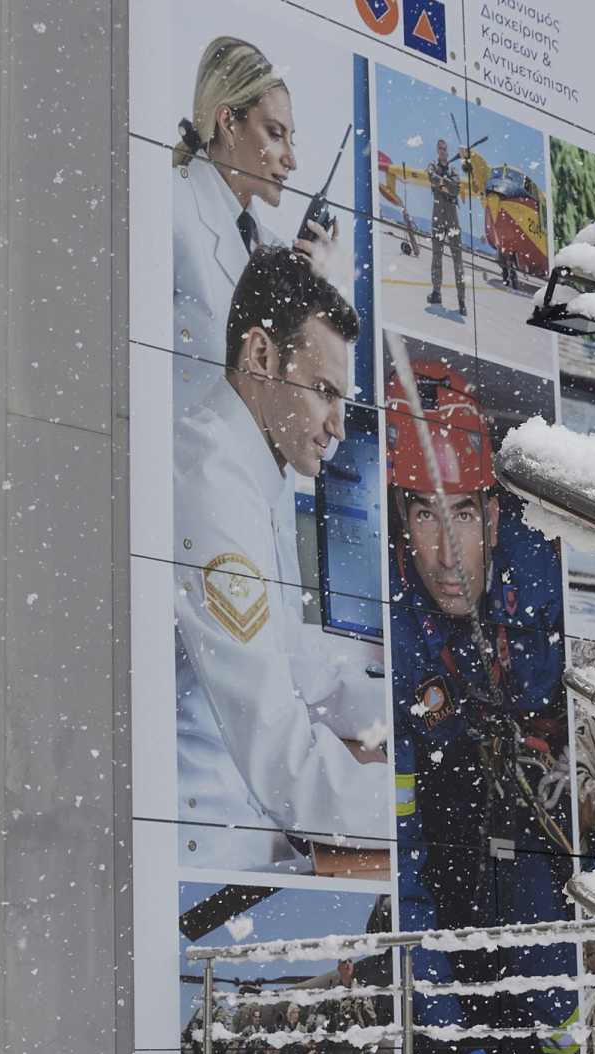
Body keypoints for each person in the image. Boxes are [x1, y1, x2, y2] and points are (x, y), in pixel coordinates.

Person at [382, 359, 580, 1054]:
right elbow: (407, 852)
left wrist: (555, 1019)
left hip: (536, 874)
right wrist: (441, 1015)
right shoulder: (395, 641)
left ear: (492, 518)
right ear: (403, 522)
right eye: (426, 516)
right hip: (453, 881)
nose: (445, 549)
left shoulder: (543, 583)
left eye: (462, 514)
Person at [175, 246, 389, 873]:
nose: (338, 425)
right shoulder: (210, 487)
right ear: (261, 356)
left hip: (254, 826)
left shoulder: (260, 470)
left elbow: (309, 680)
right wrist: (418, 809)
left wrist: (414, 716)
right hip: (210, 844)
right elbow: (284, 762)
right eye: (324, 392)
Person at [172, 36, 340, 416]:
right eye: (276, 134)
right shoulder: (169, 210)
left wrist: (315, 291)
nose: (291, 159)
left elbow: (306, 405)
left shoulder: (278, 253)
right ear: (228, 121)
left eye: (291, 138)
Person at [426, 138, 469, 318]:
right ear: (437, 150)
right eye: (440, 148)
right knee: (437, 256)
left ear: (447, 150)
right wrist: (445, 184)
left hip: (452, 221)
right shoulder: (432, 166)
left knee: (457, 259)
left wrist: (443, 184)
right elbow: (432, 178)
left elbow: (455, 189)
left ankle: (461, 301)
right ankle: (436, 293)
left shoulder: (453, 170)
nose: (443, 151)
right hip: (438, 219)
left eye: (445, 148)